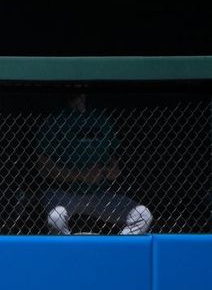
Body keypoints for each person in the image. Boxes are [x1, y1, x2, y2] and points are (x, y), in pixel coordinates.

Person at [36, 92, 152, 235]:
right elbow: (43, 167)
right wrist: (81, 175)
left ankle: (115, 246)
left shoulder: (99, 119)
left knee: (143, 214)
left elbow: (112, 156)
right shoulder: (56, 120)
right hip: (63, 193)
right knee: (56, 218)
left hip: (99, 193)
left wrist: (112, 169)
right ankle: (71, 247)